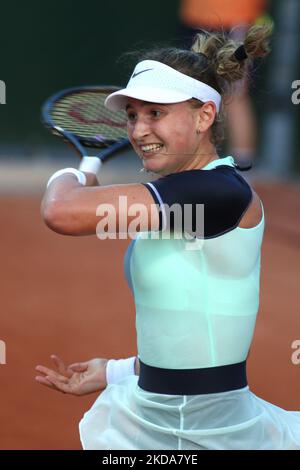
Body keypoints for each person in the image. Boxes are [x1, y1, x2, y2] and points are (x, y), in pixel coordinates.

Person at [36, 25, 300, 450]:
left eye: (155, 113)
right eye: (133, 115)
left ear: (204, 116)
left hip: (215, 430)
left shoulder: (219, 192)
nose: (139, 131)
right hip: (158, 417)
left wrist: (78, 173)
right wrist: (118, 372)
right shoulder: (183, 199)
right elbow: (196, 324)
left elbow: (60, 211)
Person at [179, 0, 270, 171]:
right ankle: (190, 167)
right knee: (192, 91)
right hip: (195, 17)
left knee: (235, 95)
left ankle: (242, 171)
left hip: (235, 18)